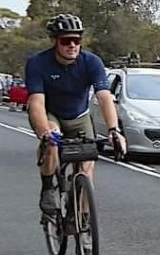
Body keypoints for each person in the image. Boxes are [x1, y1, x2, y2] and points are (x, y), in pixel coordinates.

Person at [25, 14, 127, 215]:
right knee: (52, 141)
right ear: (54, 41)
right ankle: (47, 187)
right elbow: (36, 103)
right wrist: (44, 132)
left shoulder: (92, 62)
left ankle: (81, 220)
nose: (72, 45)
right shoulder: (38, 63)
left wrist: (114, 130)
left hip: (79, 116)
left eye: (77, 40)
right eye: (65, 41)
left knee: (87, 173)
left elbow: (105, 98)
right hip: (51, 113)